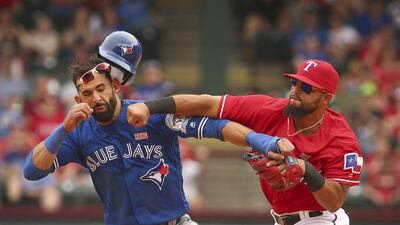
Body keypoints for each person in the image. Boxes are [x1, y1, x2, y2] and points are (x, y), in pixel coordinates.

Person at [23, 31, 296, 225]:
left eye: (100, 89)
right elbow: (32, 171)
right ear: (77, 99)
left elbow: (218, 128)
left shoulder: (148, 114)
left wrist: (265, 142)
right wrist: (63, 128)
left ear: (116, 86)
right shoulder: (78, 134)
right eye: (86, 93)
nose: (95, 98)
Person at [128, 59, 363, 225]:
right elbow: (208, 103)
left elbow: (334, 201)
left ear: (327, 98)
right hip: (281, 218)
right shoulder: (270, 110)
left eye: (307, 87)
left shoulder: (340, 138)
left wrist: (305, 170)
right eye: (294, 83)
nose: (296, 90)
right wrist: (149, 107)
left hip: (320, 220)